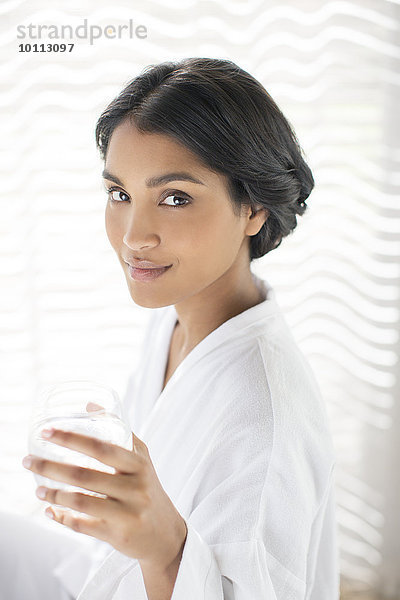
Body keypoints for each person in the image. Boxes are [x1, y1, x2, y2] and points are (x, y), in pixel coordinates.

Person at [4, 57, 339, 599]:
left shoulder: (265, 421)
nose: (135, 235)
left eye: (175, 198)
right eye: (119, 194)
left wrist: (166, 549)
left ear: (252, 208)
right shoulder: (178, 316)